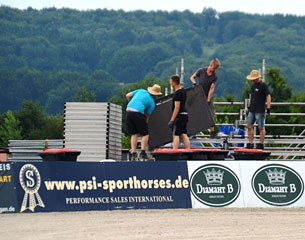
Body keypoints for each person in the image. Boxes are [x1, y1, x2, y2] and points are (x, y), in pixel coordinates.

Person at [126, 84, 162, 161]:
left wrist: (133, 103)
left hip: (128, 110)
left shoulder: (141, 90)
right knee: (145, 134)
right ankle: (143, 153)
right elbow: (147, 116)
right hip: (138, 113)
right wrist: (145, 124)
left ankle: (133, 153)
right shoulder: (152, 102)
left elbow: (128, 95)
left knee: (134, 134)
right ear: (156, 95)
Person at [190, 58, 221, 138]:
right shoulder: (201, 71)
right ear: (210, 65)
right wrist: (194, 84)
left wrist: (208, 100)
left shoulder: (214, 77)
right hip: (199, 95)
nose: (213, 70)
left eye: (215, 69)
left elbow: (212, 89)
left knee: (211, 113)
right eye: (213, 68)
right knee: (197, 113)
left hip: (208, 96)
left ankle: (212, 131)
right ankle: (195, 132)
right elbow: (192, 77)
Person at [246, 69, 272, 149]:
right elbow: (251, 97)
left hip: (260, 110)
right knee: (249, 126)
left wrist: (268, 107)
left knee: (261, 127)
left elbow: (268, 96)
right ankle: (250, 143)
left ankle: (261, 143)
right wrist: (249, 106)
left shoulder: (263, 85)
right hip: (252, 109)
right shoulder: (252, 86)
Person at [168, 75, 190, 149]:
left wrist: (172, 120)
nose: (170, 83)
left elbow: (177, 107)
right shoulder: (183, 91)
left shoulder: (177, 93)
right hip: (185, 114)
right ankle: (187, 149)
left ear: (174, 82)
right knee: (183, 134)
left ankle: (175, 151)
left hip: (179, 116)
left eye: (171, 82)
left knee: (176, 134)